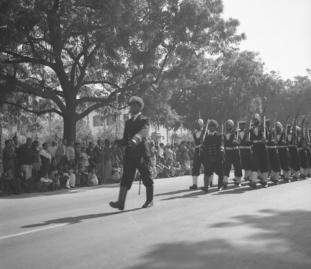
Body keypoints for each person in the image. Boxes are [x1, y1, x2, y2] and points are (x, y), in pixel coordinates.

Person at [110, 96, 153, 210]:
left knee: (146, 177)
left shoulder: (145, 120)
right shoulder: (128, 122)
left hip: (141, 153)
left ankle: (149, 200)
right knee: (125, 178)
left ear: (139, 107)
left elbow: (144, 132)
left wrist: (136, 138)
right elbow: (125, 139)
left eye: (134, 105)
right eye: (131, 105)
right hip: (130, 154)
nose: (131, 107)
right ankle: (120, 202)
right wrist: (117, 142)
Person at [201, 119, 225, 192]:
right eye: (210, 126)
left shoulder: (219, 135)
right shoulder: (207, 137)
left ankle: (220, 186)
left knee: (220, 173)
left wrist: (221, 150)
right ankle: (206, 187)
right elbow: (204, 148)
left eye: (212, 126)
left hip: (217, 157)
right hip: (209, 158)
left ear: (215, 127)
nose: (211, 128)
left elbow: (222, 144)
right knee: (207, 173)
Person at [249, 114, 269, 188]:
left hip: (262, 148)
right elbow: (251, 140)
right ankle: (254, 182)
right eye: (253, 119)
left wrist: (265, 139)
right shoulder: (251, 129)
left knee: (264, 165)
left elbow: (268, 139)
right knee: (255, 165)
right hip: (255, 149)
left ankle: (265, 181)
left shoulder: (263, 128)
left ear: (258, 120)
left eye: (255, 119)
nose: (254, 121)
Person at [223, 119, 243, 188]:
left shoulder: (236, 132)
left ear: (232, 125)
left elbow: (240, 141)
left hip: (235, 151)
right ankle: (225, 181)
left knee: (237, 166)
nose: (227, 126)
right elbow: (224, 143)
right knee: (226, 166)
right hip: (228, 152)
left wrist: (237, 142)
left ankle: (239, 181)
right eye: (227, 125)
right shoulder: (224, 133)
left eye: (229, 125)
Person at [189, 118, 205, 190]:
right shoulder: (194, 133)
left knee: (207, 167)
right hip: (196, 150)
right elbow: (194, 143)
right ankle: (194, 184)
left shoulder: (205, 132)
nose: (196, 125)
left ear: (201, 124)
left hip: (204, 151)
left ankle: (208, 183)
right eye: (196, 124)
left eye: (198, 124)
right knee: (195, 167)